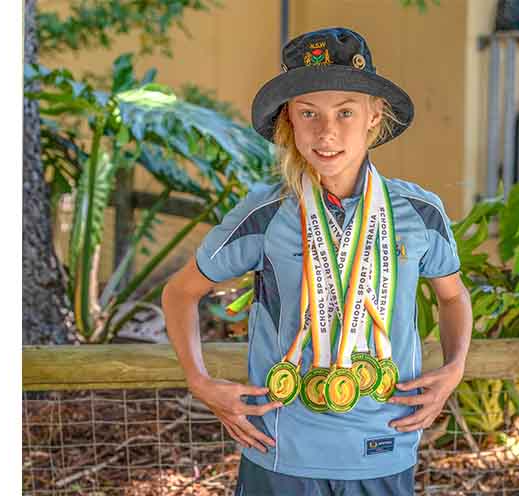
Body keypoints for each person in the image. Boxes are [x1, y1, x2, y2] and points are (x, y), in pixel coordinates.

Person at [162, 27, 473, 495]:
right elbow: (179, 293)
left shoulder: (419, 212)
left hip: (386, 443)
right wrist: (201, 383)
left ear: (374, 115)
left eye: (345, 112)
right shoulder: (265, 215)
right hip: (283, 450)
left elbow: (453, 298)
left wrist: (455, 369)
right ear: (289, 118)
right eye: (309, 113)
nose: (326, 132)